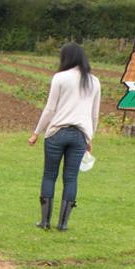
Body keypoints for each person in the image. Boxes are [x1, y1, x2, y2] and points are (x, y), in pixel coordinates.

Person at [28, 43, 101, 231]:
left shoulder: (60, 78)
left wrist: (36, 132)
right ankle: (63, 223)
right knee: (71, 178)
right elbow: (94, 115)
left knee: (49, 175)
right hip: (80, 135)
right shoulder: (94, 81)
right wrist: (89, 138)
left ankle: (45, 221)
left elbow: (50, 109)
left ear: (66, 58)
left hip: (57, 133)